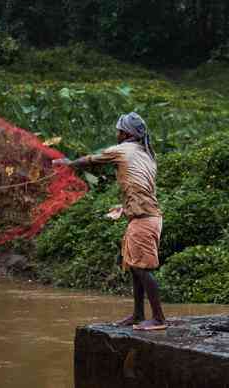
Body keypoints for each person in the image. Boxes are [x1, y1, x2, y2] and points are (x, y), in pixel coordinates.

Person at [52, 112, 167, 331]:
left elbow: (92, 160)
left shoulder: (123, 150)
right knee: (135, 268)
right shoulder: (147, 154)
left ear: (125, 133)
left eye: (118, 130)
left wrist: (69, 163)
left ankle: (159, 319)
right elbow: (141, 189)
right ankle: (138, 314)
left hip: (145, 220)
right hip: (145, 217)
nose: (116, 134)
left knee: (142, 270)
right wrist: (124, 208)